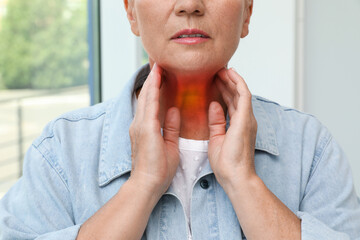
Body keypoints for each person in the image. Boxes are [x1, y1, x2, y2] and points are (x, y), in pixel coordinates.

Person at [1, 0, 360, 239]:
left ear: (247, 12)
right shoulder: (60, 152)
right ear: (130, 12)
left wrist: (244, 183)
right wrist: (141, 186)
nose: (190, 4)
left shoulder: (310, 148)